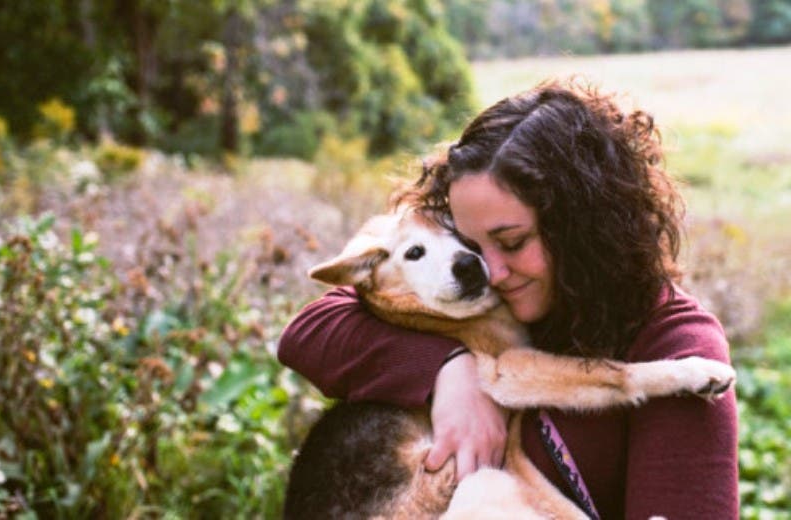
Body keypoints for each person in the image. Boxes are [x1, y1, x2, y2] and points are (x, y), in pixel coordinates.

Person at [278, 78, 738, 519]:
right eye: (471, 247)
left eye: (513, 242)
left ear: (583, 230)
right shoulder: (472, 306)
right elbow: (308, 331)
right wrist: (449, 371)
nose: (490, 273)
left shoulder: (677, 345)